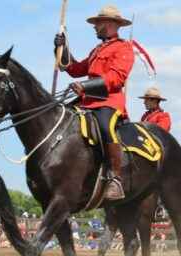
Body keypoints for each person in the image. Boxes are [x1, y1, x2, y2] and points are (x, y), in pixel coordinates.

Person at [54, 5, 135, 200]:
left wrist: (86, 87)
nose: (94, 27)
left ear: (110, 24)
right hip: (86, 102)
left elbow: (116, 77)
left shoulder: (124, 47)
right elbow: (74, 68)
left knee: (106, 128)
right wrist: (62, 48)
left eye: (97, 23)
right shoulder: (96, 50)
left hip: (109, 102)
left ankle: (116, 178)